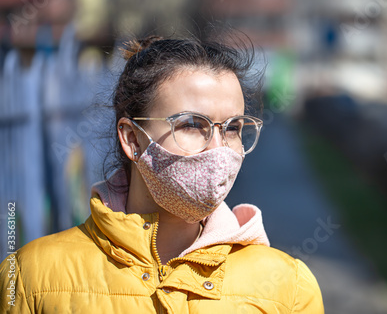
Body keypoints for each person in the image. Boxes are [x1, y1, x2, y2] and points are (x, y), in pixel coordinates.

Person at [0, 34, 324, 313]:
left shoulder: (287, 289)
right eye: (193, 125)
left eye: (233, 128)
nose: (219, 150)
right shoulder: (32, 276)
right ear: (132, 138)